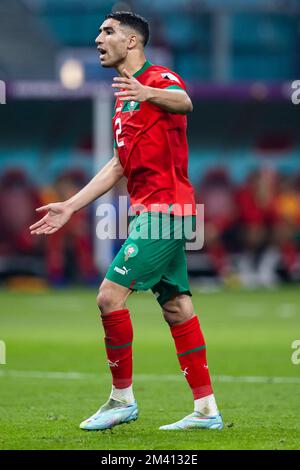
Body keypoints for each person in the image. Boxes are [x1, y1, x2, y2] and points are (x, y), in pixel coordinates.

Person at [30, 11, 223, 431]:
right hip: (155, 213)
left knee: (108, 297)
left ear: (132, 41)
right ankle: (207, 409)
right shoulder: (125, 98)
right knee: (176, 306)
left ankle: (122, 400)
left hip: (166, 214)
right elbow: (118, 165)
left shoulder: (158, 79)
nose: (98, 37)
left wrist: (148, 93)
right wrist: (70, 205)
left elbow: (185, 101)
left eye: (108, 31)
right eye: (99, 30)